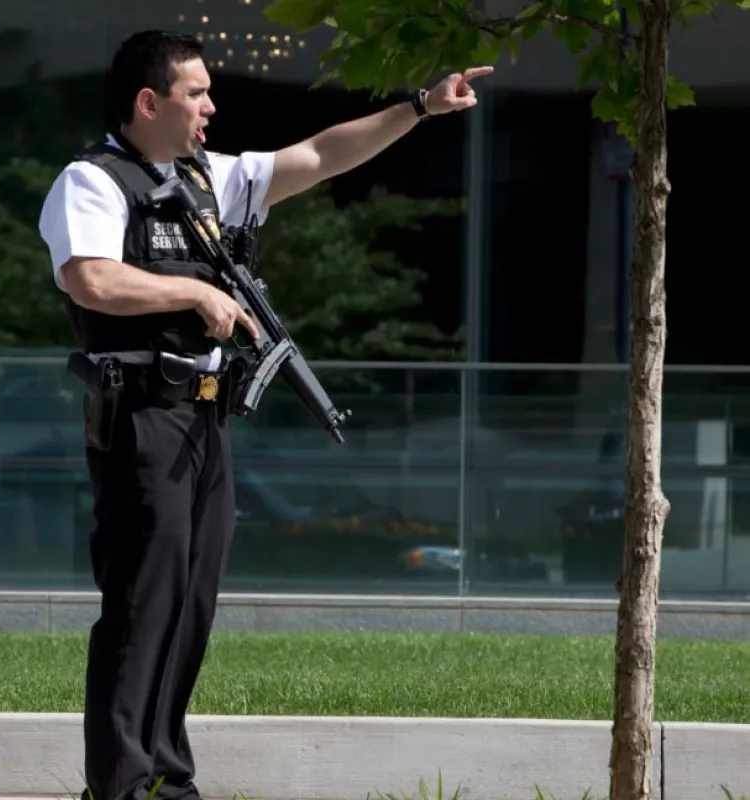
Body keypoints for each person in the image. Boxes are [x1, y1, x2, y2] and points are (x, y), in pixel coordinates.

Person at [37, 29, 491, 800]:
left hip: (207, 422)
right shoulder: (93, 180)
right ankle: (118, 784)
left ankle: (166, 780)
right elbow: (91, 281)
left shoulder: (211, 179)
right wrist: (196, 292)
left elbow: (318, 155)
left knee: (191, 605)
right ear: (150, 102)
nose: (212, 106)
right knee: (142, 606)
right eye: (197, 93)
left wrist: (418, 108)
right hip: (144, 416)